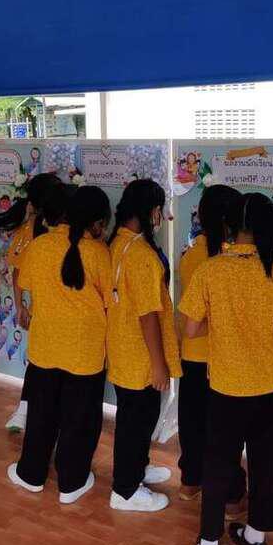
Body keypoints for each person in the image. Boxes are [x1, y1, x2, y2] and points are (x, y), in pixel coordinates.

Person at [179, 192, 273, 545]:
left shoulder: (209, 270)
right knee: (266, 466)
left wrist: (221, 324)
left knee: (218, 465)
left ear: (229, 227)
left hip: (226, 387)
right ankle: (256, 540)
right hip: (271, 386)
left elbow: (190, 329)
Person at [7, 185, 112, 505]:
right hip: (85, 350)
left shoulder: (40, 246)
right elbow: (110, 300)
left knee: (42, 414)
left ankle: (31, 474)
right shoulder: (97, 252)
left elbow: (25, 283)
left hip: (45, 347)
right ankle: (72, 482)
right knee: (80, 419)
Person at [107, 179, 182, 513]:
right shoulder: (141, 255)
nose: (161, 216)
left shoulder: (118, 242)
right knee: (136, 421)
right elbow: (148, 315)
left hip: (123, 348)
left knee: (133, 417)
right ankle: (124, 490)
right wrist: (158, 364)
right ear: (151, 211)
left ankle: (137, 468)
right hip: (140, 354)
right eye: (159, 210)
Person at [177, 184, 248, 517]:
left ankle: (190, 482)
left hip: (192, 353)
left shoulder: (191, 256)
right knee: (225, 431)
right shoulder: (234, 259)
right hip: (224, 357)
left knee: (192, 423)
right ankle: (232, 496)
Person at [0, 172, 63, 432]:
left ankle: (30, 412)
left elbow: (18, 273)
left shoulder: (37, 230)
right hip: (47, 309)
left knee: (42, 363)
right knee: (44, 364)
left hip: (45, 308)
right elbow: (18, 272)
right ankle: (28, 412)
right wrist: (21, 306)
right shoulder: (36, 231)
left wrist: (21, 305)